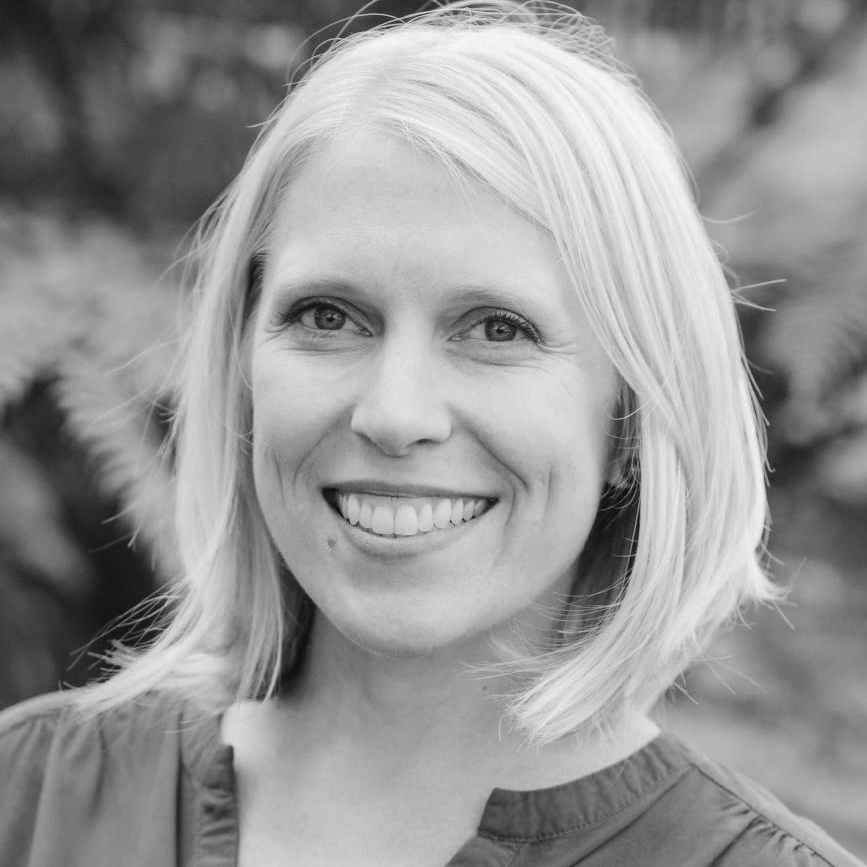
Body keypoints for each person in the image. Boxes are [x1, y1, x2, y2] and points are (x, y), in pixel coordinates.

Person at [0, 2, 862, 865]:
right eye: (329, 315)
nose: (394, 413)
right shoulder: (32, 798)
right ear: (241, 365)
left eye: (496, 329)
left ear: (635, 415)